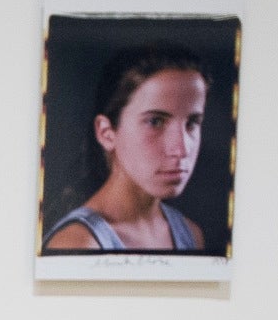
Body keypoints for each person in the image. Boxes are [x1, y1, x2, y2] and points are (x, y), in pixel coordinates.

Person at [43, 43, 210, 252]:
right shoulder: (78, 243)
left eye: (192, 123)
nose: (181, 149)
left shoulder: (190, 235)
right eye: (156, 122)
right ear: (106, 133)